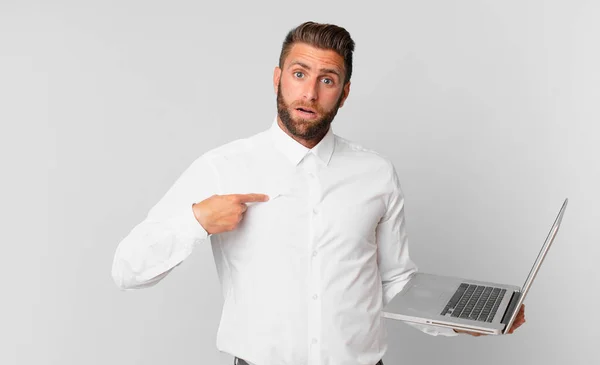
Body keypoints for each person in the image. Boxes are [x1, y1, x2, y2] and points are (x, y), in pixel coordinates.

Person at [112, 21, 525, 365]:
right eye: (298, 74)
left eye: (327, 80)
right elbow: (127, 270)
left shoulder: (376, 174)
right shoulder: (223, 168)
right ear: (277, 78)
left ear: (344, 92)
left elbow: (395, 282)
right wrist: (197, 221)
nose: (309, 93)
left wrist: (460, 318)